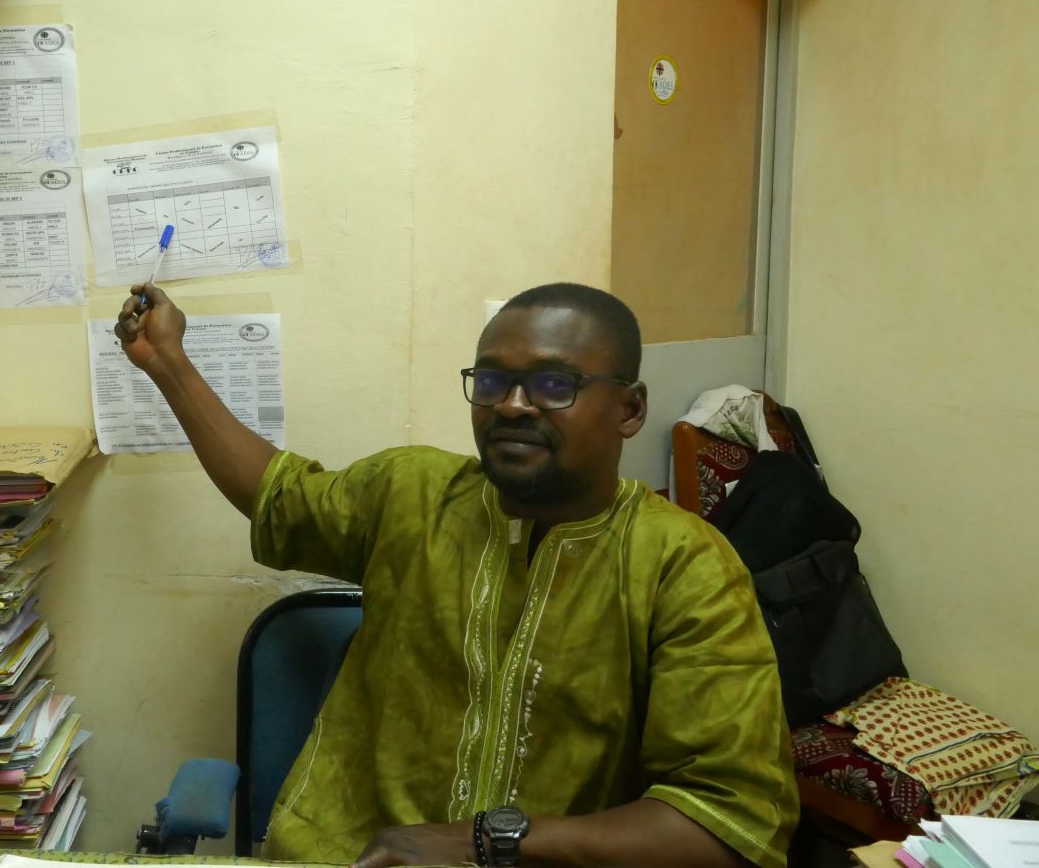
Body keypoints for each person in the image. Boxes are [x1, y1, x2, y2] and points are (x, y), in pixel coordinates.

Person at [114, 281, 797, 868]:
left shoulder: (685, 568)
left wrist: (484, 842)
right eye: (494, 380)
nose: (513, 405)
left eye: (555, 383)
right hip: (349, 855)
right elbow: (278, 496)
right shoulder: (413, 495)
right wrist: (168, 362)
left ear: (629, 409)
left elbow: (727, 822)